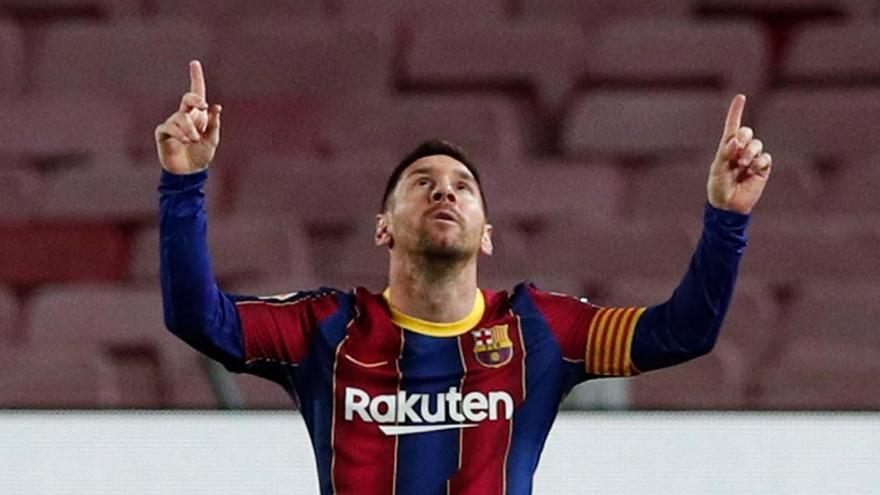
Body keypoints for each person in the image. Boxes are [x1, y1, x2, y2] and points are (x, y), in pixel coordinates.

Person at [157, 60, 772, 495]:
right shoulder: (325, 330)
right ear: (383, 228)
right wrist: (183, 182)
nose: (444, 192)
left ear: (486, 233)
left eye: (462, 187)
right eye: (422, 183)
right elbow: (197, 318)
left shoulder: (541, 330)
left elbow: (684, 332)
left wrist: (727, 217)